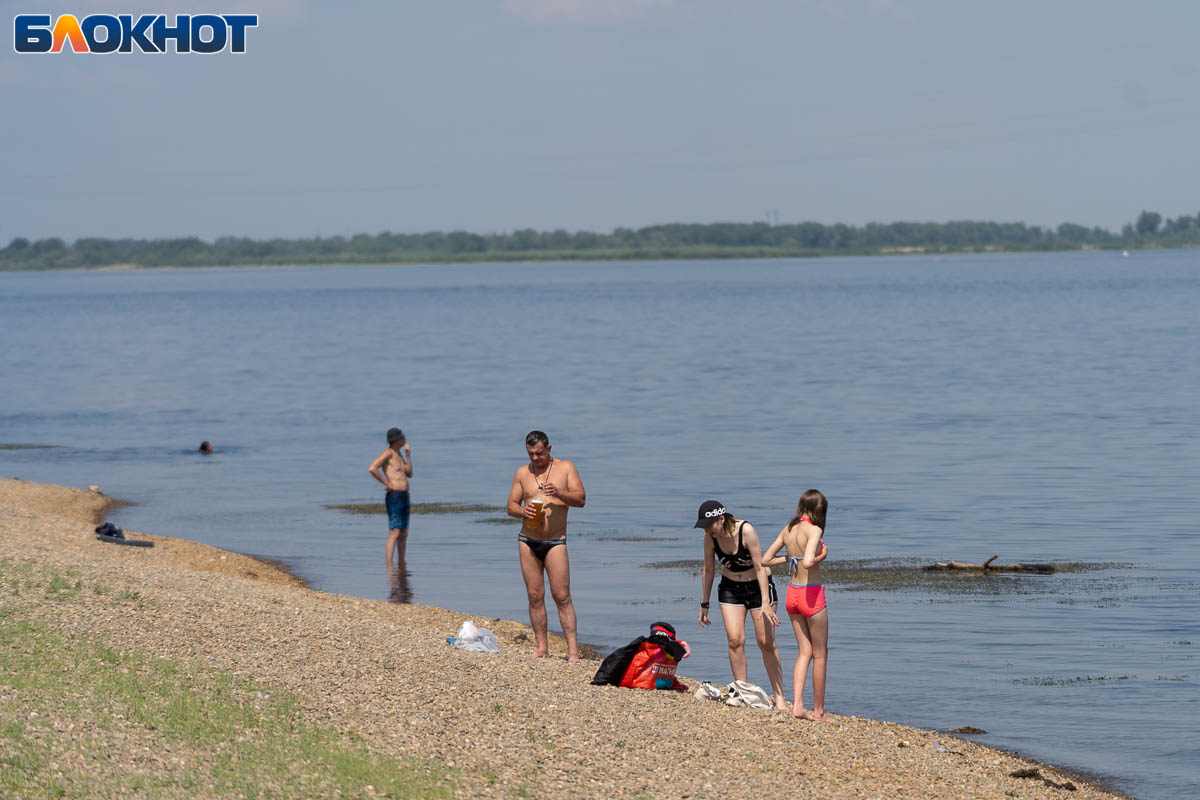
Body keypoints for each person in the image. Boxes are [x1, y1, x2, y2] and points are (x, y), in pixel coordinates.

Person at [695, 499, 789, 711]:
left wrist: (765, 603)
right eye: (704, 527)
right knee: (735, 640)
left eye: (710, 525)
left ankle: (780, 697)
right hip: (730, 588)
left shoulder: (746, 531)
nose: (708, 530)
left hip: (759, 586)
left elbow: (759, 567)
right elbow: (708, 569)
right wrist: (704, 603)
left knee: (766, 642)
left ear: (721, 519)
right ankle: (743, 693)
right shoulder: (709, 538)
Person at [506, 430, 586, 662]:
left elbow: (581, 499)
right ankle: (542, 647)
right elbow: (511, 506)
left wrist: (559, 492)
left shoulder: (566, 468)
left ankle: (573, 651)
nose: (535, 458)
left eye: (539, 453)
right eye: (531, 454)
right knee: (534, 595)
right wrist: (523, 510)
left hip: (555, 541)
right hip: (527, 540)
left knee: (562, 596)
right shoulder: (523, 473)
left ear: (549, 449)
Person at [763, 489, 831, 721]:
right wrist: (823, 555)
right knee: (820, 654)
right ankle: (819, 711)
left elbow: (765, 560)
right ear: (819, 511)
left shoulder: (788, 529)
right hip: (811, 595)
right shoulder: (815, 529)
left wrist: (791, 558)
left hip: (792, 594)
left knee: (805, 651)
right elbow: (811, 561)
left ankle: (798, 706)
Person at [368, 427, 413, 565]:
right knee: (394, 532)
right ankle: (389, 565)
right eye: (402, 437)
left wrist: (408, 455)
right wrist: (386, 482)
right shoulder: (388, 453)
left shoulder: (399, 454)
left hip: (404, 495)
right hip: (394, 496)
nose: (404, 439)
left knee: (403, 533)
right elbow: (372, 467)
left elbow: (409, 473)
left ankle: (401, 563)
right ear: (396, 440)